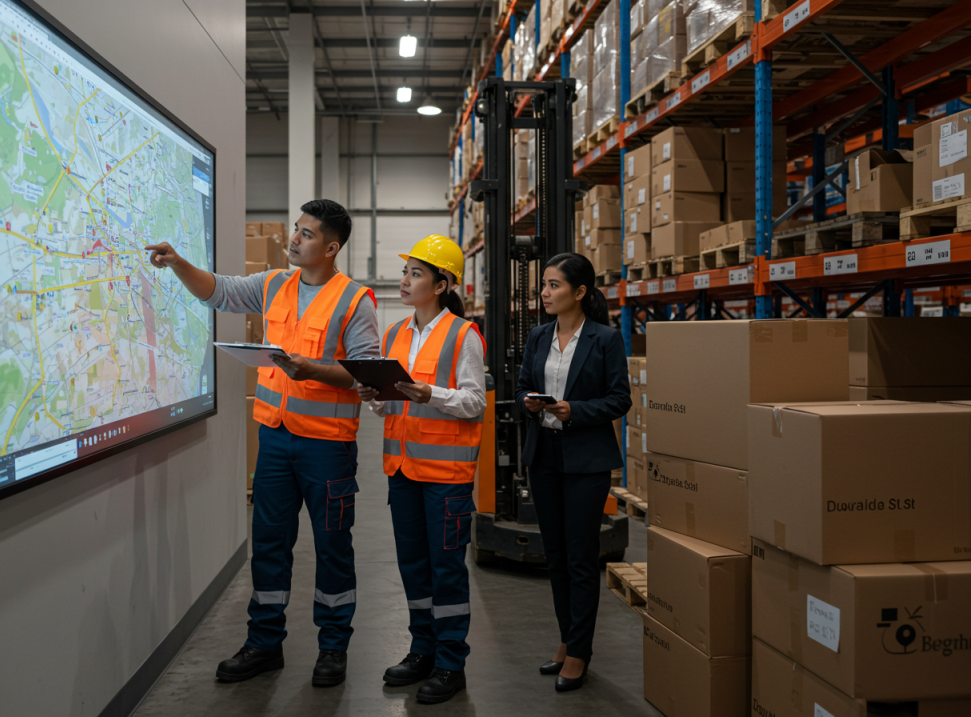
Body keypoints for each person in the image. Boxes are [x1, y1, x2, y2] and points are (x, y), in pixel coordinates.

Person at [145, 199, 379, 688]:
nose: (294, 239)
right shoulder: (275, 284)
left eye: (307, 234)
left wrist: (311, 369)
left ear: (331, 247)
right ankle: (264, 643)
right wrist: (179, 263)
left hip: (327, 447)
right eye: (295, 229)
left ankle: (333, 649)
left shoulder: (355, 300)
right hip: (275, 440)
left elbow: (364, 373)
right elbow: (220, 292)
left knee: (333, 548)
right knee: (270, 545)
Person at [357, 235, 486, 705]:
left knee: (446, 568)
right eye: (406, 271)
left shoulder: (463, 335)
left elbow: (474, 403)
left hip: (447, 479)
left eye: (415, 273)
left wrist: (430, 394)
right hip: (402, 470)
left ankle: (451, 661)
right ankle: (422, 649)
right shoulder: (394, 336)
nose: (404, 280)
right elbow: (390, 408)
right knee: (413, 566)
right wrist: (375, 397)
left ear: (441, 283)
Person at [514, 252, 632, 692]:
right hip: (543, 455)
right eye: (543, 285)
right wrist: (530, 401)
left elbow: (620, 399)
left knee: (582, 559)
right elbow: (523, 383)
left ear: (579, 292)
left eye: (553, 285)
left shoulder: (605, 339)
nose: (544, 293)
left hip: (586, 460)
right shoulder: (539, 336)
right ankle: (567, 639)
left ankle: (580, 651)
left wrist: (573, 411)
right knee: (557, 557)